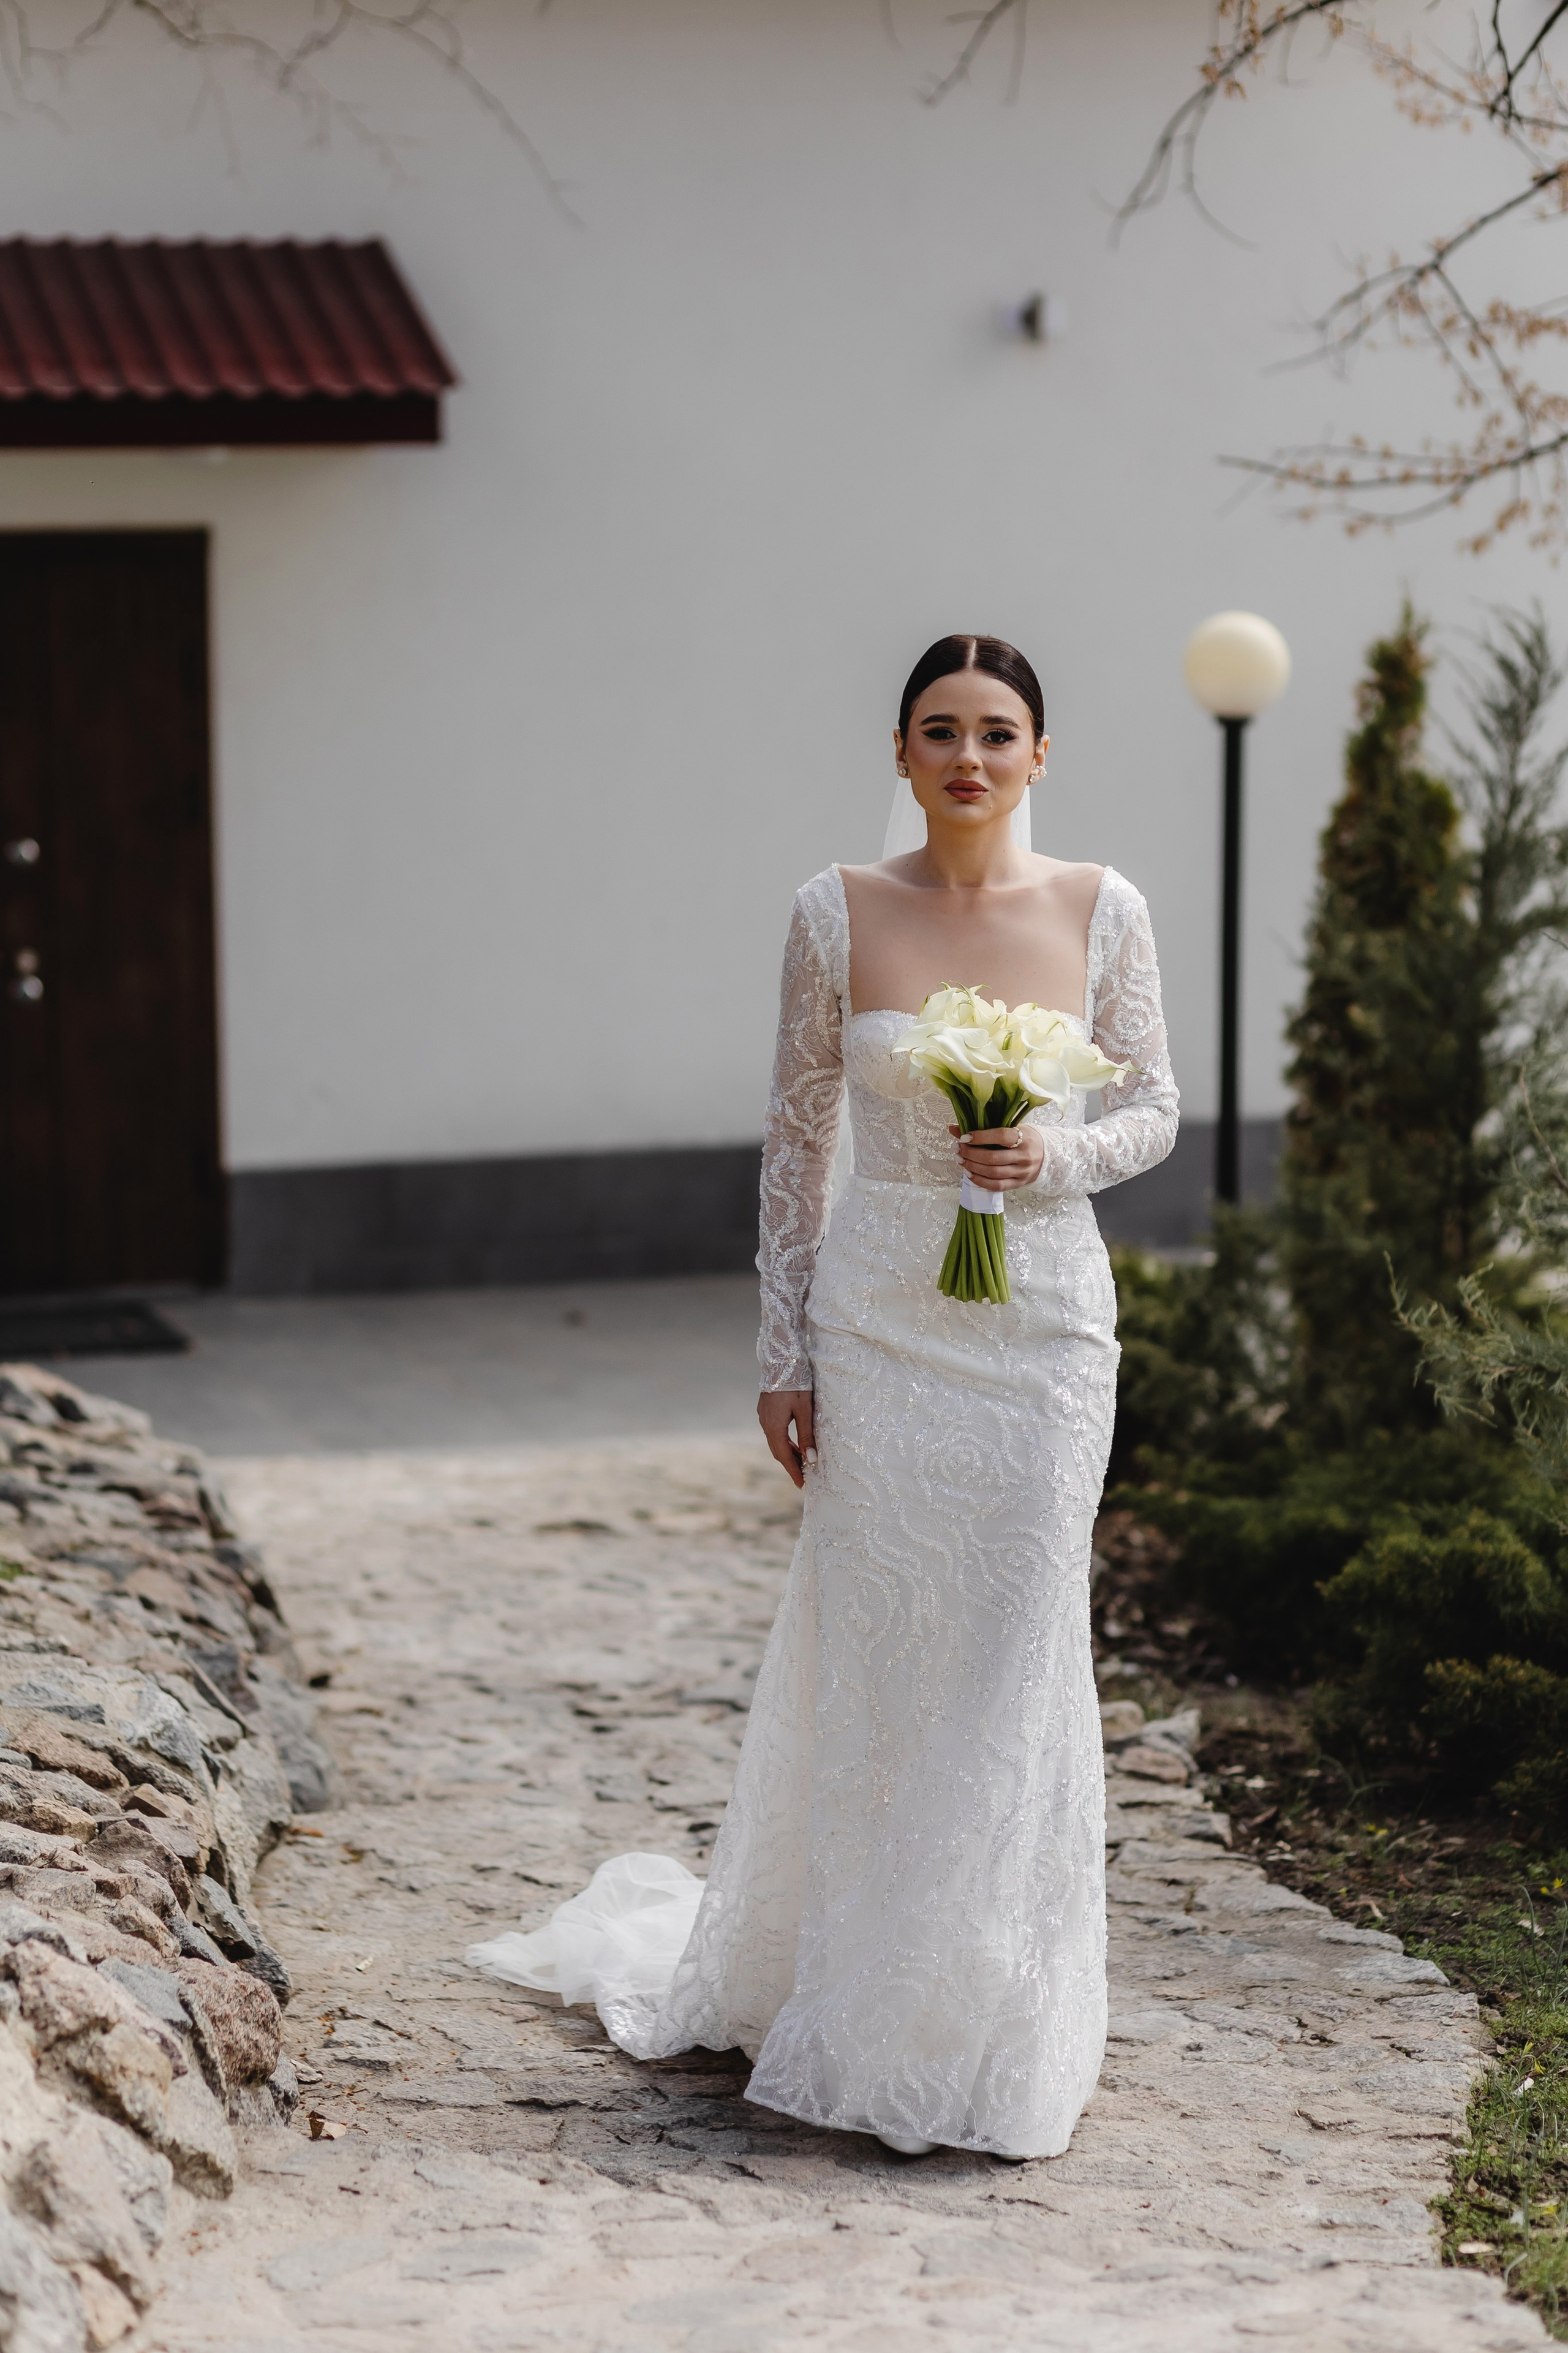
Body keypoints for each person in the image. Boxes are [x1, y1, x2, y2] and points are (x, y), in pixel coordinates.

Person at [469, 633, 1179, 2160]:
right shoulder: (832, 910)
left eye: (996, 731)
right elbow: (797, 1143)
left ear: (1038, 754)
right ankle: (859, 1989)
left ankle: (985, 2015)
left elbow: (1155, 1102)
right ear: (901, 753)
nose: (969, 756)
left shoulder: (1101, 906)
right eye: (940, 729)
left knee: (1010, 1649)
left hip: (1046, 1330)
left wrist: (1052, 1154)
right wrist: (781, 1351)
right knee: (883, 1649)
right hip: (879, 1321)